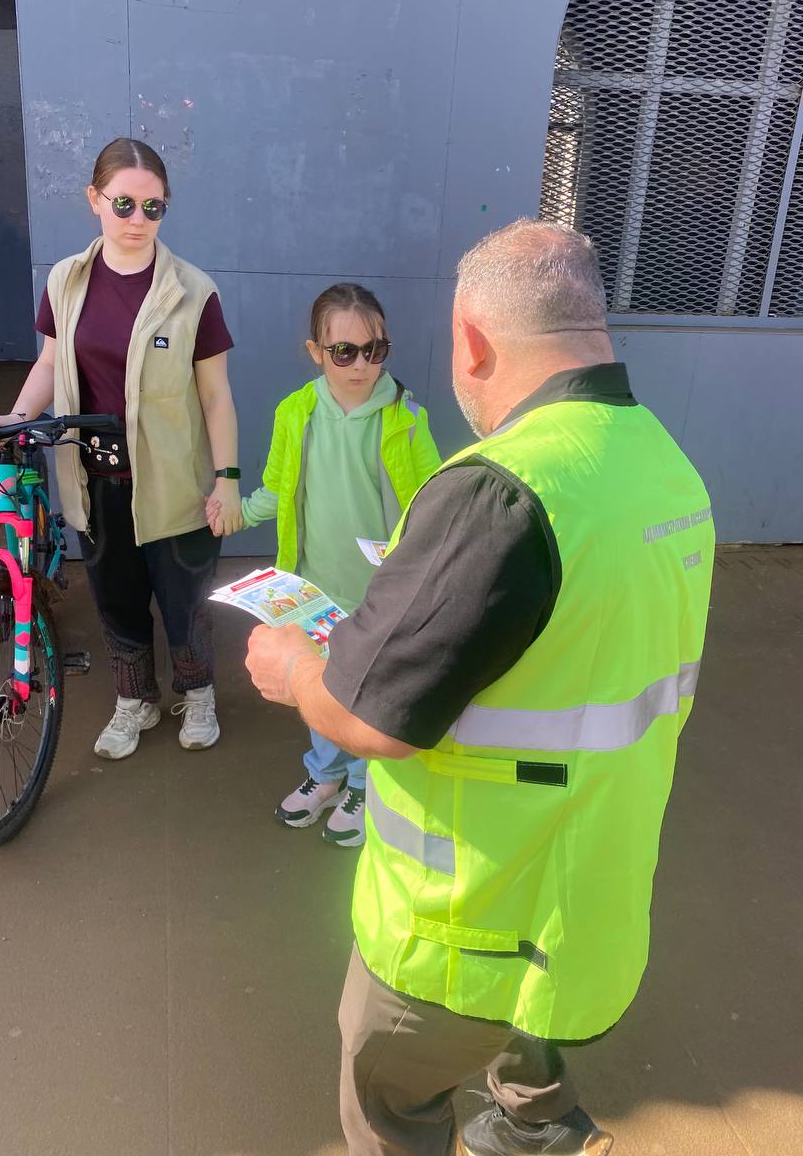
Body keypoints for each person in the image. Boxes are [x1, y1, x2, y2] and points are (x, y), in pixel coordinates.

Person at [245, 220, 714, 1155]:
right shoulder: (666, 466)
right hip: (585, 902)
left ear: (472, 342)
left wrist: (293, 667)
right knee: (526, 1063)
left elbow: (371, 716)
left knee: (388, 1106)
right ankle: (538, 1128)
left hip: (461, 929)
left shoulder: (499, 490)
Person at [0, 137, 243, 760]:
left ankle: (197, 693)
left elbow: (216, 396)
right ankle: (134, 701)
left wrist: (227, 478)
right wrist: (17, 418)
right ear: (94, 199)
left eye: (153, 207)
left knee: (185, 598)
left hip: (175, 480)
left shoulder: (193, 291)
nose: (137, 219)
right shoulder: (67, 281)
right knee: (117, 597)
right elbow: (50, 363)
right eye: (123, 203)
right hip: (95, 478)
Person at [209, 283, 440, 847]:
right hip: (312, 586)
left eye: (374, 350)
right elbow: (278, 489)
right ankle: (327, 775)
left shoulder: (406, 417)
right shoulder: (296, 413)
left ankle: (365, 785)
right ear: (315, 352)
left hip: (380, 595)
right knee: (315, 686)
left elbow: (432, 500)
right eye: (344, 352)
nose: (361, 364)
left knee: (364, 695)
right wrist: (236, 513)